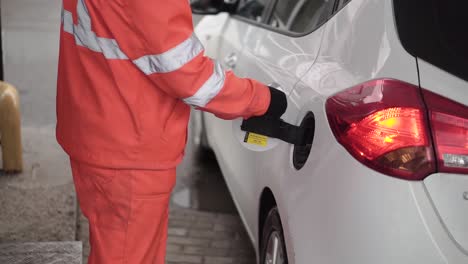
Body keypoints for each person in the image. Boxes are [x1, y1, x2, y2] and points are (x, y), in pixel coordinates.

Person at [56, 0, 286, 263]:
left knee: (114, 251)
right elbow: (188, 75)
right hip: (130, 154)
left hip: (97, 138)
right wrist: (261, 99)